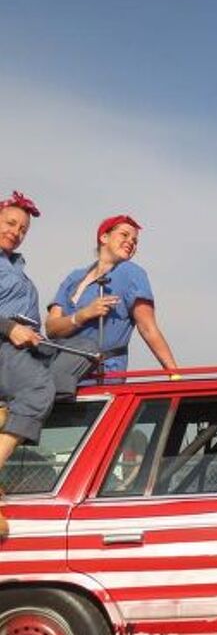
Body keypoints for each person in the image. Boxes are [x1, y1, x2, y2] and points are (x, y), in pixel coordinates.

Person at [0, 191, 94, 479]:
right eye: (10, 223)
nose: (16, 232)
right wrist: (10, 328)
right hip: (4, 342)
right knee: (40, 389)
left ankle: (11, 410)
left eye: (22, 229)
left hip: (28, 346)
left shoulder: (17, 267)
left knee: (86, 348)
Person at [45, 215, 178, 378]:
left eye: (135, 241)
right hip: (61, 372)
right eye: (124, 235)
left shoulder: (132, 273)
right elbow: (51, 328)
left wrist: (174, 373)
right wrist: (83, 315)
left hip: (102, 376)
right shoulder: (74, 277)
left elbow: (148, 328)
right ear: (104, 237)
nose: (131, 242)